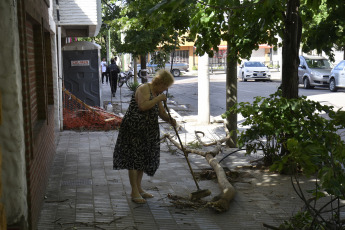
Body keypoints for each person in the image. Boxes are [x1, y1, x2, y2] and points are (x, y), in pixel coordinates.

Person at [113, 70, 176, 204]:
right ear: (160, 82)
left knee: (143, 159)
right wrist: (158, 99)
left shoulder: (156, 92)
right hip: (134, 128)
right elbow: (143, 106)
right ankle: (134, 191)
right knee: (134, 159)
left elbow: (161, 113)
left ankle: (139, 188)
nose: (166, 89)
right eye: (165, 86)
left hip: (148, 130)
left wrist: (170, 120)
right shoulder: (144, 88)